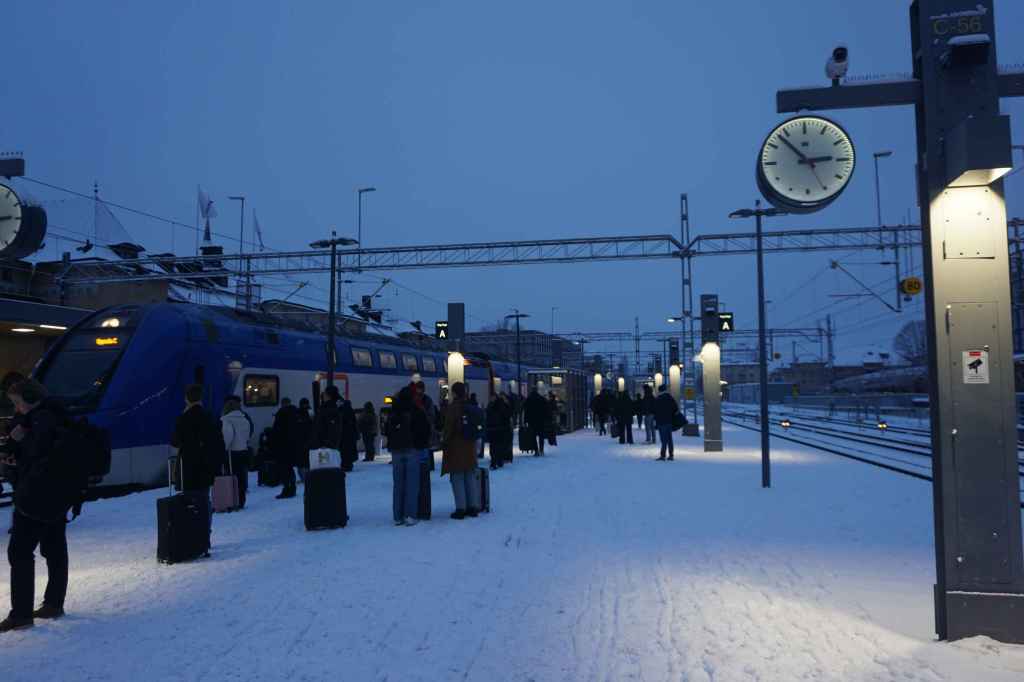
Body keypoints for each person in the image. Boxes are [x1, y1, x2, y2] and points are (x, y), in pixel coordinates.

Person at [1, 380, 73, 632]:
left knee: (19, 552)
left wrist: (18, 441)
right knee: (54, 548)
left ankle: (21, 614)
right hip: (57, 494)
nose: (17, 409)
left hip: (35, 496)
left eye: (17, 403)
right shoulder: (57, 415)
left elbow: (37, 456)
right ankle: (54, 603)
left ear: (30, 399)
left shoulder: (41, 421)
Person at [171, 384, 223, 535]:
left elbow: (175, 441)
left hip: (188, 465)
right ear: (200, 398)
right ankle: (205, 531)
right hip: (206, 465)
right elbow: (218, 442)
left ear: (187, 398)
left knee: (189, 500)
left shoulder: (183, 417)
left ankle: (192, 534)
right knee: (204, 498)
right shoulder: (210, 416)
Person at [387, 386, 431, 526]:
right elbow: (425, 430)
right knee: (412, 484)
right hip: (412, 450)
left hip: (396, 451)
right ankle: (410, 515)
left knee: (398, 484)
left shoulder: (393, 411)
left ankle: (397, 516)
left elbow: (387, 430)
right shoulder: (416, 411)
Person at [441, 382, 480, 519]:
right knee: (470, 476)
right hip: (470, 446)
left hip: (456, 446)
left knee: (457, 477)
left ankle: (461, 508)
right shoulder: (471, 406)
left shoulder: (454, 408)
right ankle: (473, 506)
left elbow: (448, 428)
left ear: (455, 393)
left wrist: (444, 442)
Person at [221, 395, 253, 506]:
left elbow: (227, 437)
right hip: (243, 451)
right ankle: (241, 499)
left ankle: (231, 499)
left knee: (231, 477)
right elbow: (248, 435)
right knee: (242, 477)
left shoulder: (226, 420)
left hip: (231, 453)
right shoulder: (245, 419)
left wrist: (223, 448)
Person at [270, 398, 300, 499]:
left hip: (282, 446)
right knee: (289, 468)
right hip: (293, 445)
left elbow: (276, 431)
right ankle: (292, 487)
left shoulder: (281, 414)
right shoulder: (295, 413)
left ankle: (287, 489)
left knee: (284, 468)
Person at [311, 386, 343, 455]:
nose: (323, 395)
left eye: (325, 394)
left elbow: (332, 428)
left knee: (325, 464)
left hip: (325, 446)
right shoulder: (335, 406)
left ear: (329, 395)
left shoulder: (329, 408)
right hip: (326, 444)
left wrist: (326, 443)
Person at [654, 384, 680, 461]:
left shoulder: (658, 399)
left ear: (659, 391)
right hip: (669, 421)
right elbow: (675, 409)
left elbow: (655, 411)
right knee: (669, 439)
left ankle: (663, 455)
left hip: (660, 422)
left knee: (663, 439)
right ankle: (671, 455)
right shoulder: (670, 398)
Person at [523, 387, 548, 456]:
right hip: (541, 420)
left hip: (532, 421)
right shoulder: (542, 399)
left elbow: (526, 411)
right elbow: (546, 410)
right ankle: (541, 450)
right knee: (541, 436)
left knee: (533, 436)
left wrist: (525, 421)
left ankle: (536, 450)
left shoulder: (528, 399)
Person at [295, 398, 314, 482]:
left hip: (300, 439)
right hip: (308, 439)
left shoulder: (297, 413)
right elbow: (314, 424)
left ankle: (304, 477)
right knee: (307, 459)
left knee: (301, 460)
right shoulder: (310, 412)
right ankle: (308, 476)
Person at [338, 399, 359, 472]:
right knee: (350, 451)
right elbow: (354, 424)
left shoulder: (342, 411)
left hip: (344, 435)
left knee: (344, 452)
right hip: (351, 435)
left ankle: (345, 465)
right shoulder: (351, 411)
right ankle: (349, 465)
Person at [486, 394, 504, 470]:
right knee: (496, 445)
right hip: (496, 428)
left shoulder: (492, 405)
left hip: (494, 428)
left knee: (494, 445)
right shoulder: (499, 406)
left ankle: (494, 462)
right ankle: (498, 461)